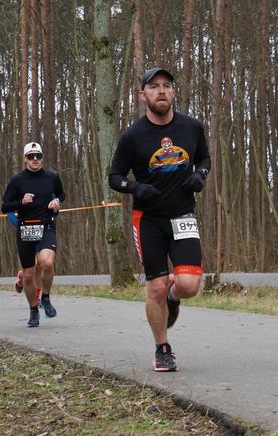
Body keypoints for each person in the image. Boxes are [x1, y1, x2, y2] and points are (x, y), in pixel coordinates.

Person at [108, 67, 211, 372]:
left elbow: (204, 158)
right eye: (154, 87)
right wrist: (134, 186)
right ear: (143, 95)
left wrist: (199, 175)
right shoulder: (133, 135)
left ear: (174, 92)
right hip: (148, 219)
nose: (161, 91)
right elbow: (114, 177)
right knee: (155, 286)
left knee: (190, 285)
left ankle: (173, 296)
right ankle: (162, 347)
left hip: (183, 215)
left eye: (167, 85)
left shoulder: (191, 127)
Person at [1, 142, 65, 327]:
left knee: (47, 262)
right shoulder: (17, 180)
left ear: (42, 157)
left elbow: (61, 195)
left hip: (46, 226)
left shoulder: (52, 177)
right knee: (28, 274)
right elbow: (4, 206)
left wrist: (56, 201)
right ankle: (33, 310)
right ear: (25, 159)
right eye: (31, 156)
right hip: (25, 228)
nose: (35, 160)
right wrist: (21, 202)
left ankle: (45, 297)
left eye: (38, 156)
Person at [8, 211, 42, 302]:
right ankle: (21, 279)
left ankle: (37, 297)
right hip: (25, 231)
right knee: (33, 266)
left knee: (40, 264)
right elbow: (9, 210)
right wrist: (20, 225)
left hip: (40, 230)